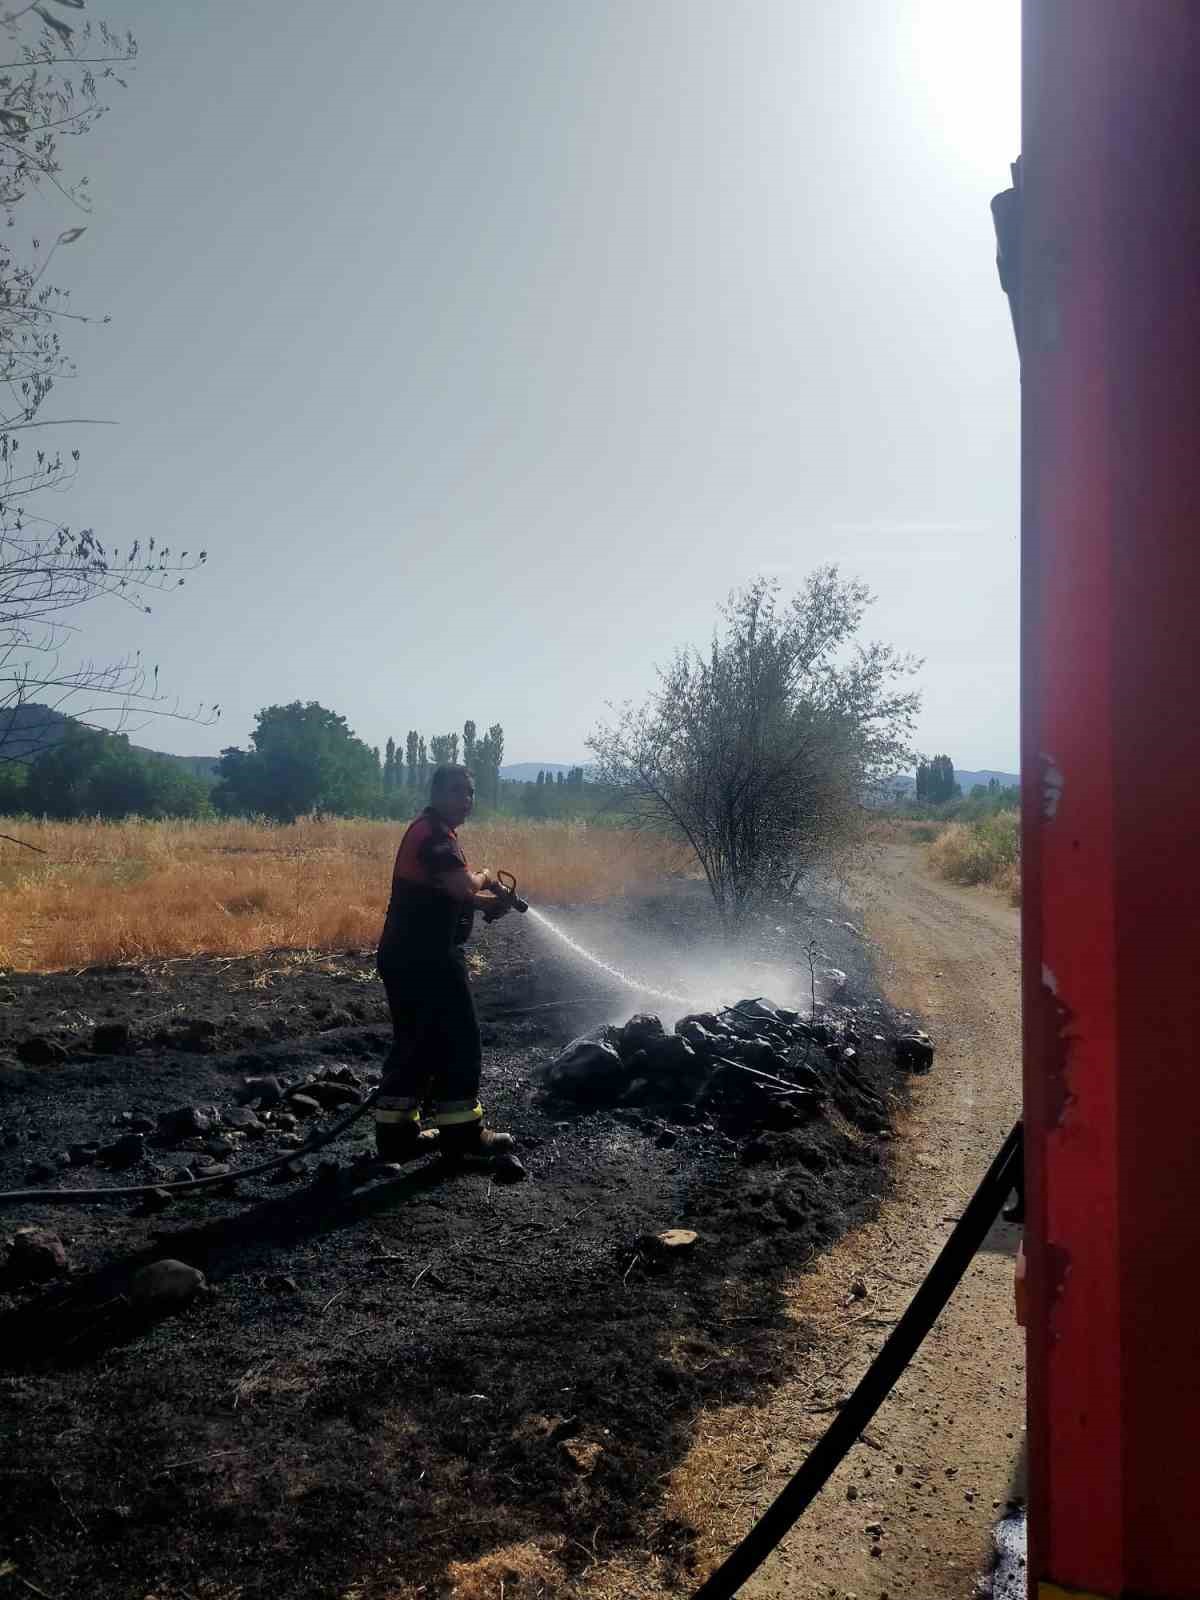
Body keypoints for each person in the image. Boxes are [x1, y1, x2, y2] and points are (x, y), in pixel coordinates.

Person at [374, 764, 516, 1162]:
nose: (465, 800)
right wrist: (487, 877)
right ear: (436, 794)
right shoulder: (434, 837)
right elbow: (461, 885)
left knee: (415, 1044)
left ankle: (396, 1136)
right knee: (460, 1041)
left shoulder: (432, 833)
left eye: (470, 793)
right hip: (427, 960)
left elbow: (452, 892)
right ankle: (463, 1136)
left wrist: (491, 904)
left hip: (408, 957)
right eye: (457, 792)